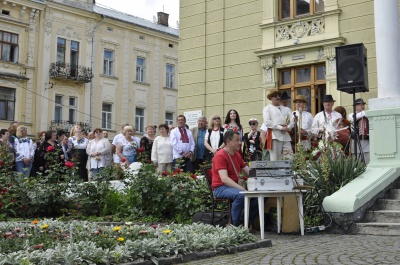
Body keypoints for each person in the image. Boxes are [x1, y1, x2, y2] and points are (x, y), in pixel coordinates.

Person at [212, 130, 258, 227]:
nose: (240, 143)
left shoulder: (237, 155)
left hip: (233, 187)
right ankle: (234, 226)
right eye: (237, 140)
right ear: (228, 141)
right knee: (240, 195)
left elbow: (249, 172)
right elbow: (224, 179)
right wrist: (242, 189)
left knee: (261, 195)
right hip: (220, 188)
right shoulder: (220, 155)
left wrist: (262, 175)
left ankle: (244, 220)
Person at [263, 89, 294, 161]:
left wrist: (288, 127)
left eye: (278, 95)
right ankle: (275, 172)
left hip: (286, 135)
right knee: (275, 159)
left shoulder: (287, 109)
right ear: (271, 98)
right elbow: (267, 122)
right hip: (274, 136)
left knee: (289, 157)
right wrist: (280, 128)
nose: (277, 97)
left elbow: (292, 120)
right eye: (275, 96)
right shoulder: (267, 109)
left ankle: (287, 172)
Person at [348, 98, 370, 164]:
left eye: (363, 105)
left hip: (367, 144)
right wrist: (366, 112)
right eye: (361, 105)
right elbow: (355, 117)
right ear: (356, 106)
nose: (363, 106)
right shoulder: (351, 115)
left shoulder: (367, 115)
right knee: (357, 164)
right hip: (356, 144)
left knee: (367, 163)